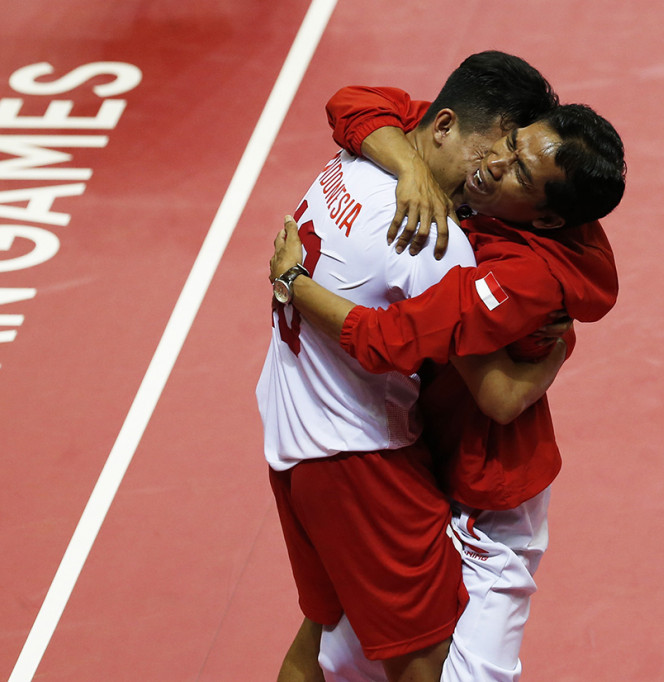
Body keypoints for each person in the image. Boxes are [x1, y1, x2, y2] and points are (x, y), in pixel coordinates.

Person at [270, 90, 626, 680]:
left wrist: (294, 283)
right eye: (511, 143)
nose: (494, 162)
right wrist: (413, 167)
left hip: (492, 504)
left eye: (519, 170)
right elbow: (358, 102)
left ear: (546, 218)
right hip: (425, 463)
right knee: (332, 645)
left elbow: (450, 370)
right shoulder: (484, 176)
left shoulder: (522, 277)